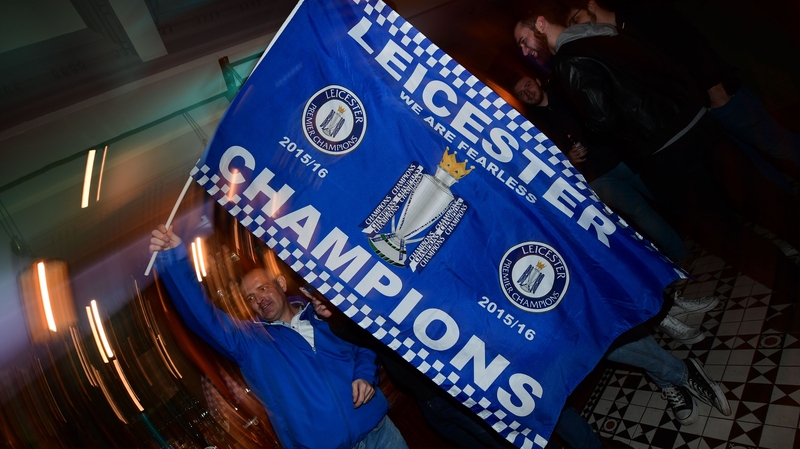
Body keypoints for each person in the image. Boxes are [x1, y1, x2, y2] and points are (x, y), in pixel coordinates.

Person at [512, 0, 798, 288]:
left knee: (723, 230)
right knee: (760, 194)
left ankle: (790, 284)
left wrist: (591, 125)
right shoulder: (606, 32)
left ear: (540, 23)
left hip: (667, 153)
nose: (525, 51)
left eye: (523, 41)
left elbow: (602, 120)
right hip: (699, 125)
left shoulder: (567, 59)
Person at [149, 224, 408, 449]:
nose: (259, 299)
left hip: (380, 433)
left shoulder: (322, 314)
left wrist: (364, 373)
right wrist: (174, 259)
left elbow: (364, 344)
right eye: (250, 297)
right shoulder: (250, 343)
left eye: (263, 288)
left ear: (281, 285)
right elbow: (202, 316)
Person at [513, 73, 716, 344]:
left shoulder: (566, 92)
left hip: (622, 156)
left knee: (668, 195)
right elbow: (547, 158)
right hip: (596, 176)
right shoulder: (533, 124)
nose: (527, 92)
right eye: (521, 92)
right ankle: (682, 255)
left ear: (536, 81)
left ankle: (714, 232)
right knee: (639, 214)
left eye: (527, 84)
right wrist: (567, 156)